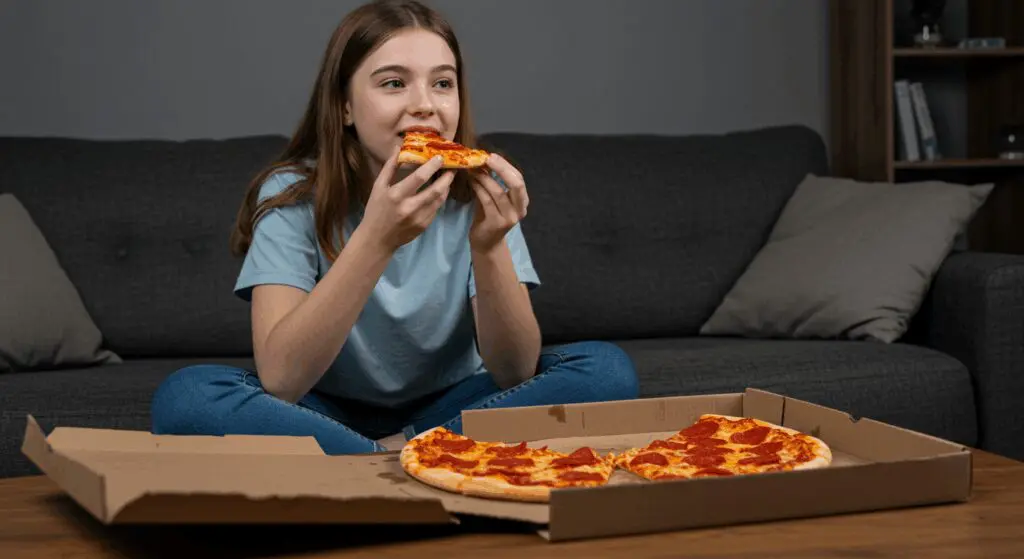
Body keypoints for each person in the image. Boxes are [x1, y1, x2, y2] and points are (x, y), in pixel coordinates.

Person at [150, 0, 639, 454]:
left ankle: (390, 455)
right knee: (188, 396)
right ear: (344, 106)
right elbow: (281, 380)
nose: (425, 104)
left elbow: (514, 372)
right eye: (393, 83)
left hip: (458, 405)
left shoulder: (478, 193)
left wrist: (490, 247)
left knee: (605, 372)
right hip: (320, 410)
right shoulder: (294, 194)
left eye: (443, 83)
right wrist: (377, 238)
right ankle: (415, 457)